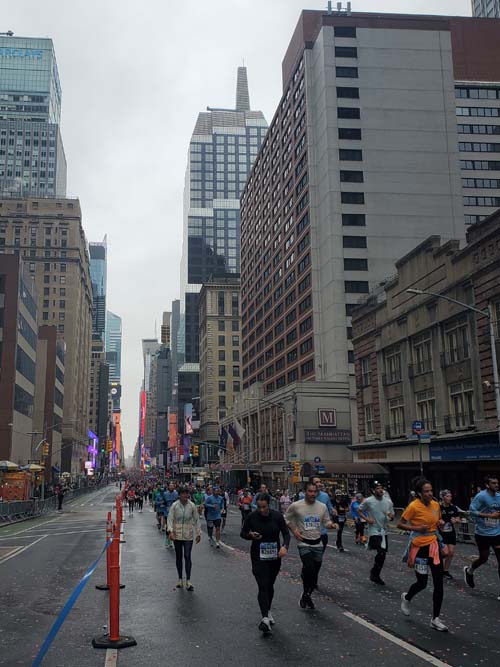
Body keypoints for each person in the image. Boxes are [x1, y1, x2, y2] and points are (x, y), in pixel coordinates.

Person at [397, 477, 447, 632]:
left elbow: (438, 520)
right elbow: (400, 524)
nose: (430, 493)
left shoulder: (435, 505)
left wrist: (440, 523)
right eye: (426, 491)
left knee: (439, 581)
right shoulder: (413, 506)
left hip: (433, 545)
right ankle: (407, 597)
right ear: (419, 493)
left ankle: (435, 619)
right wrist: (416, 528)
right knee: (422, 583)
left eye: (431, 490)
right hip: (419, 548)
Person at [241, 492, 290, 635]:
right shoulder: (252, 517)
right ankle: (264, 619)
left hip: (274, 555)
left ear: (269, 505)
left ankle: (267, 611)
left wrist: (284, 547)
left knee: (269, 585)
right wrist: (250, 535)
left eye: (264, 507)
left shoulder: (277, 516)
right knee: (262, 584)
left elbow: (286, 534)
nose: (262, 510)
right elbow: (243, 533)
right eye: (259, 507)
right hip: (258, 555)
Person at [285, 482, 338, 610]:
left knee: (314, 574)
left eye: (315, 492)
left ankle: (306, 595)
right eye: (310, 491)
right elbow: (286, 518)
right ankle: (307, 594)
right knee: (310, 569)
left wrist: (332, 525)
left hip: (317, 543)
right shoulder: (296, 506)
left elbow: (326, 522)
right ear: (305, 492)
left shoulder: (322, 507)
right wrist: (295, 531)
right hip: (304, 542)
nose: (313, 494)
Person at [464, 475, 500, 595]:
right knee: (483, 558)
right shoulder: (481, 496)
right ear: (487, 485)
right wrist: (489, 516)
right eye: (493, 483)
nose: (496, 485)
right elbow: (472, 512)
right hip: (483, 533)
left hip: (497, 534)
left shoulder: (499, 496)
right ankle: (470, 571)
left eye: (497, 483)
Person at [358, 481, 394, 585]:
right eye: (378, 488)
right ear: (373, 490)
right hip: (374, 530)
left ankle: (375, 573)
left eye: (381, 488)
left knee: (382, 555)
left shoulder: (388, 502)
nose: (380, 490)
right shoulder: (368, 501)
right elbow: (359, 510)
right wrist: (367, 519)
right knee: (381, 551)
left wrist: (391, 517)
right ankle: (375, 573)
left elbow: (391, 515)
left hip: (384, 530)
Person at [167, 486, 201, 590]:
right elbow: (170, 519)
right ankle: (180, 579)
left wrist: (198, 533)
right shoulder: (175, 506)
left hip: (188, 535)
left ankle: (189, 581)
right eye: (184, 493)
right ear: (180, 495)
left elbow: (196, 520)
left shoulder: (192, 506)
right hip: (177, 535)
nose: (186, 495)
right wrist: (170, 531)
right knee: (179, 557)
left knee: (187, 556)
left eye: (187, 493)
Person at [439, 490, 461, 579]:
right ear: (443, 497)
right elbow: (434, 518)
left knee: (451, 553)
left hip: (450, 532)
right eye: (448, 496)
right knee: (444, 552)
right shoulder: (438, 507)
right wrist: (439, 521)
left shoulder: (453, 508)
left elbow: (458, 519)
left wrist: (456, 521)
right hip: (441, 533)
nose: (450, 498)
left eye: (450, 496)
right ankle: (436, 565)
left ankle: (445, 571)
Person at [312, 477, 335, 553]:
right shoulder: (305, 496)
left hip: (322, 531)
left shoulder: (325, 496)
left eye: (319, 482)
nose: (319, 484)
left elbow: (330, 507)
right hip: (309, 532)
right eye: (316, 482)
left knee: (319, 558)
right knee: (309, 558)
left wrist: (333, 511)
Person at [162, 483, 179, 547]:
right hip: (167, 512)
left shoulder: (176, 494)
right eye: (170, 486)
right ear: (168, 487)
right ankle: (167, 539)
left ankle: (171, 539)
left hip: (175, 513)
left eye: (172, 486)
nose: (171, 487)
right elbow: (163, 502)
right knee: (168, 526)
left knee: (173, 526)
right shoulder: (165, 494)